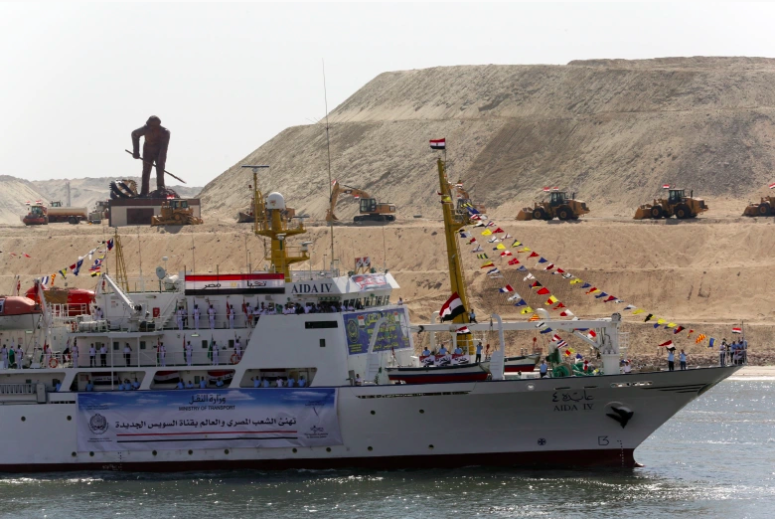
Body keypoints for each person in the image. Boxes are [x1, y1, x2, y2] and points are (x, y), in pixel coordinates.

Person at [130, 115, 171, 197]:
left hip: (159, 150)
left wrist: (160, 161)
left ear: (157, 126)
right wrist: (136, 151)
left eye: (152, 126)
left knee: (160, 169)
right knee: (146, 170)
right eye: (149, 126)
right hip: (147, 150)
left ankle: (160, 188)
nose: (150, 128)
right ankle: (144, 192)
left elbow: (164, 148)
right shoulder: (146, 128)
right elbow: (134, 134)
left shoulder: (165, 132)